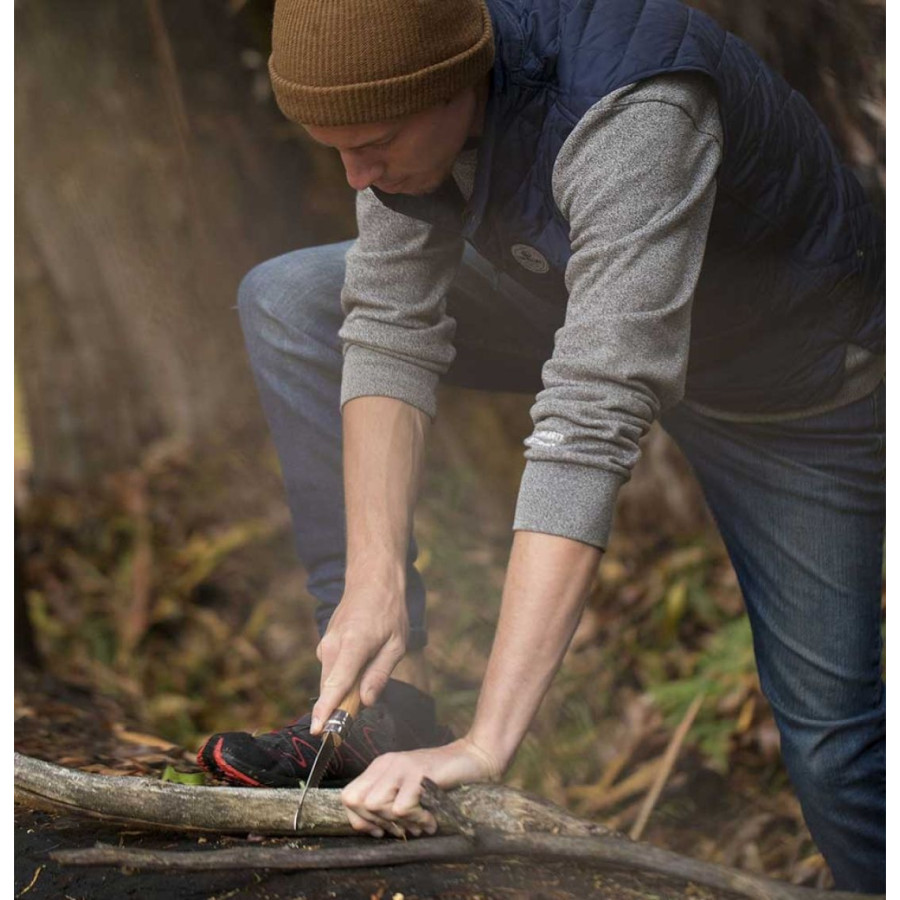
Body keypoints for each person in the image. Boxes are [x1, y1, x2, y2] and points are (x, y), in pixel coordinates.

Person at [198, 0, 885, 891]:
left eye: (374, 142)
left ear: (455, 83)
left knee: (833, 748)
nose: (354, 173)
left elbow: (589, 422)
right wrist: (374, 580)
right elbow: (389, 327)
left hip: (790, 395)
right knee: (290, 300)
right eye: (335, 146)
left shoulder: (636, 113)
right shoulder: (411, 88)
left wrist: (487, 741)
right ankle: (377, 704)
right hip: (586, 295)